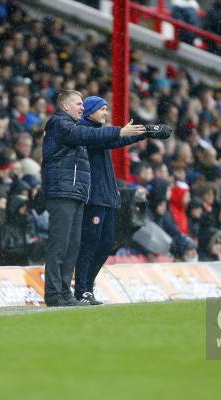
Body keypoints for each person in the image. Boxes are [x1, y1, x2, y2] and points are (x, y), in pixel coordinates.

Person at [42, 90, 146, 307]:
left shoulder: (75, 129)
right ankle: (54, 294)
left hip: (76, 192)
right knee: (60, 246)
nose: (82, 107)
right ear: (65, 107)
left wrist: (143, 132)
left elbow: (98, 138)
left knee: (71, 247)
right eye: (78, 104)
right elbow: (89, 135)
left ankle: (65, 294)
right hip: (62, 191)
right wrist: (120, 131)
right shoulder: (59, 124)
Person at [74, 96, 168, 305]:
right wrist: (121, 132)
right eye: (102, 109)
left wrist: (146, 132)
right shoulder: (84, 131)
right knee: (89, 244)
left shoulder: (101, 134)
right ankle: (81, 290)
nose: (105, 113)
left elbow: (117, 139)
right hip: (94, 198)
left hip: (107, 197)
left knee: (106, 243)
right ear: (89, 111)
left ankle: (87, 286)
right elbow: (111, 137)